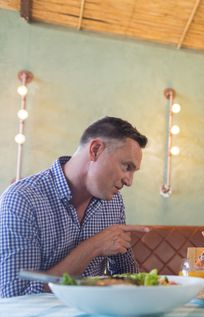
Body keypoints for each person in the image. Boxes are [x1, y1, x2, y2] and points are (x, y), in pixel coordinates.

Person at [0, 116, 150, 298]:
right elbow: (15, 296)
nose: (129, 181)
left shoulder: (113, 202)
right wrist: (93, 246)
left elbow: (129, 279)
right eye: (127, 167)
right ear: (95, 150)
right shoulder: (22, 199)